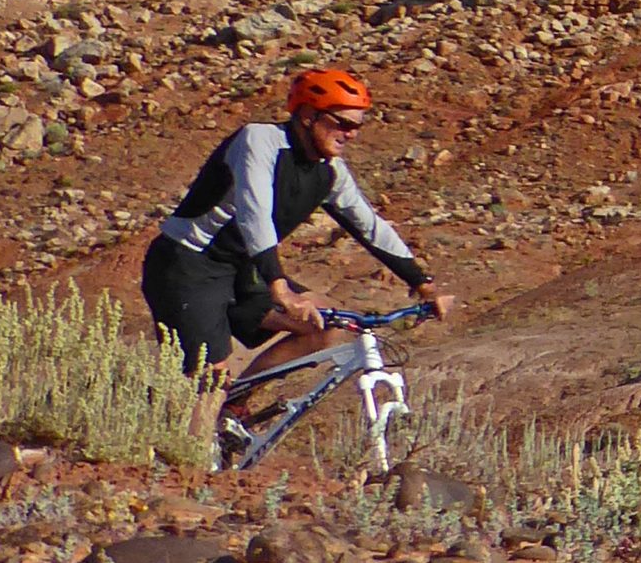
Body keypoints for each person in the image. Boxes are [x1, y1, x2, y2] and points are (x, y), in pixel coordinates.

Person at [141, 67, 455, 379]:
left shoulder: (329, 170)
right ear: (307, 115)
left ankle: (234, 412)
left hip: (241, 271)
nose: (351, 134)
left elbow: (370, 227)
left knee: (323, 325)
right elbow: (255, 213)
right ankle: (196, 419)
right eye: (342, 123)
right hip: (187, 267)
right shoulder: (259, 140)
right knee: (209, 385)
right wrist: (280, 288)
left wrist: (424, 286)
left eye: (357, 126)